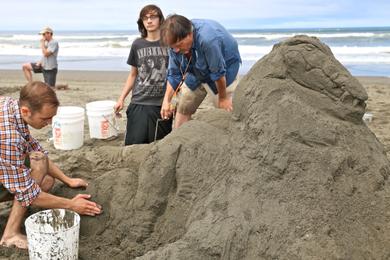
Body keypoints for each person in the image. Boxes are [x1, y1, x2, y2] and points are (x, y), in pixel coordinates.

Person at [0, 81, 102, 249]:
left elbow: (36, 151)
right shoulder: (8, 138)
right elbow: (28, 192)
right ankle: (10, 234)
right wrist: (71, 205)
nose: (49, 123)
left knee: (46, 179)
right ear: (26, 111)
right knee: (31, 184)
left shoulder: (11, 105)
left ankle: (17, 213)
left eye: (52, 118)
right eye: (45, 119)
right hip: (5, 153)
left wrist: (67, 179)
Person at [160, 15, 242, 128]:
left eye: (179, 45)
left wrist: (222, 98)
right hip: (196, 70)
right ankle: (180, 135)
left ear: (189, 34)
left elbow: (218, 73)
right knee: (184, 104)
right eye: (173, 47)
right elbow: (174, 74)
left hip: (225, 69)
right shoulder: (174, 43)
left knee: (226, 111)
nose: (177, 50)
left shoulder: (207, 39)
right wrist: (166, 101)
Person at [114, 5, 172, 145]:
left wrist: (169, 100)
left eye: (153, 17)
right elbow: (133, 74)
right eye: (145, 18)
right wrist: (121, 99)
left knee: (159, 146)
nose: (149, 21)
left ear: (160, 20)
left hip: (161, 104)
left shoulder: (169, 44)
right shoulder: (137, 44)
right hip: (139, 102)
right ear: (142, 22)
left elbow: (174, 75)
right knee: (134, 145)